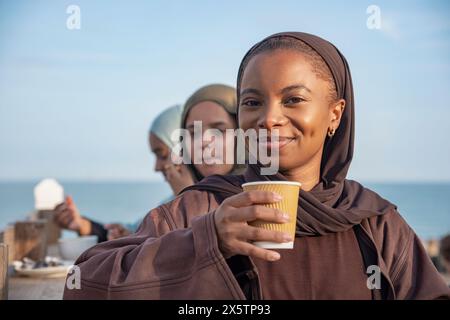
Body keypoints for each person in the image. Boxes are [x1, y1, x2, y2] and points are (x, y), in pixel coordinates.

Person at [63, 32, 450, 299]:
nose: (268, 118)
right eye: (252, 102)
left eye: (293, 99)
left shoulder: (375, 222)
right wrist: (205, 240)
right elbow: (83, 285)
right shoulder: (204, 208)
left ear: (335, 114)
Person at [54, 105, 192, 241]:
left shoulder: (210, 212)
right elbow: (136, 231)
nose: (156, 167)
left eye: (162, 155)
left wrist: (186, 197)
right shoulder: (167, 205)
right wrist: (81, 224)